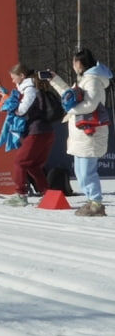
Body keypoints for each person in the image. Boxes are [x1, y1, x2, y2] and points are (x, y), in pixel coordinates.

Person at [47, 48, 110, 217]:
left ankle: (96, 203)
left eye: (75, 61)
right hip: (81, 134)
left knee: (87, 171)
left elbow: (90, 104)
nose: (73, 65)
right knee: (81, 172)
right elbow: (69, 96)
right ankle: (92, 201)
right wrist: (55, 80)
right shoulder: (83, 80)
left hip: (91, 133)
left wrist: (71, 108)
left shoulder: (93, 81)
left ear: (81, 63)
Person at [5, 64, 54, 206]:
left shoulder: (30, 89)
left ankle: (20, 195)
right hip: (45, 132)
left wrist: (10, 105)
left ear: (22, 76)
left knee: (19, 163)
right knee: (33, 165)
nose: (13, 81)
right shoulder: (32, 88)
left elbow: (21, 110)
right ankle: (47, 194)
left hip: (36, 132)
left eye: (14, 78)